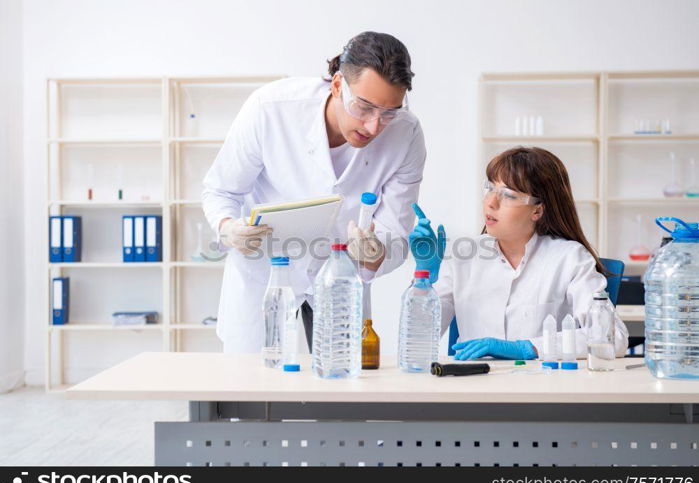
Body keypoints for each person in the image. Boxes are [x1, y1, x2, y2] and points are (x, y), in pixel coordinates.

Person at [202, 32, 426, 353]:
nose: (375, 126)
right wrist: (228, 228)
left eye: (389, 111)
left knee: (340, 392)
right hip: (265, 279)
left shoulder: (407, 134)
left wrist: (377, 253)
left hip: (340, 285)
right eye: (364, 107)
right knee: (252, 393)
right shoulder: (271, 108)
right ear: (337, 85)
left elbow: (395, 233)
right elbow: (220, 189)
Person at [409, 147, 628, 360]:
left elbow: (612, 337)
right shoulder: (463, 256)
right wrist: (425, 277)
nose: (490, 202)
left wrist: (526, 348)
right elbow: (418, 340)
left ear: (537, 210)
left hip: (542, 387)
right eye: (490, 188)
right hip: (474, 385)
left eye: (508, 195)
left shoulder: (570, 258)